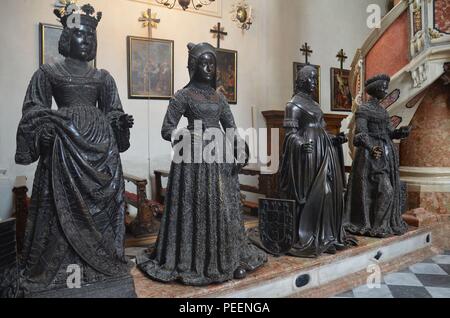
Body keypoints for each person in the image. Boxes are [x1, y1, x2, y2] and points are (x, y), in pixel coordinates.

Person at [14, 4, 135, 297]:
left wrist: (120, 122)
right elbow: (34, 110)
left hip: (101, 154)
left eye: (92, 37)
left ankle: (100, 266)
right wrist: (44, 132)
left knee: (101, 213)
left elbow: (113, 111)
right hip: (63, 153)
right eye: (81, 35)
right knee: (58, 212)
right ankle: (61, 274)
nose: (88, 41)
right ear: (66, 39)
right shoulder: (48, 72)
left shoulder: (103, 77)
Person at [137, 42, 267, 286]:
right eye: (203, 63)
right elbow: (167, 129)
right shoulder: (183, 95)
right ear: (193, 66)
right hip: (192, 161)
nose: (208, 68)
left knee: (222, 207)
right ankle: (194, 261)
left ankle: (225, 259)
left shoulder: (219, 97)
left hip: (218, 158)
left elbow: (230, 128)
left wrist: (240, 146)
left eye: (212, 64)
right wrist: (186, 136)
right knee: (197, 207)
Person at [278, 65, 355, 258]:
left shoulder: (314, 103)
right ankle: (309, 235)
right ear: (302, 80)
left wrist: (334, 139)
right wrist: (300, 143)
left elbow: (321, 129)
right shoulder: (293, 105)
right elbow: (289, 135)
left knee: (330, 193)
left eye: (315, 79)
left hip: (323, 150)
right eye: (311, 79)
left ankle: (326, 236)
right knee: (319, 192)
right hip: (307, 155)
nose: (314, 83)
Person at [344, 74, 411, 238]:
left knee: (385, 189)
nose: (386, 90)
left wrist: (399, 133)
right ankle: (375, 225)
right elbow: (360, 134)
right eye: (383, 87)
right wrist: (371, 146)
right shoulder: (364, 109)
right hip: (371, 155)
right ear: (375, 89)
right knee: (385, 190)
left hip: (386, 154)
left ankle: (381, 225)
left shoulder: (382, 110)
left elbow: (389, 132)